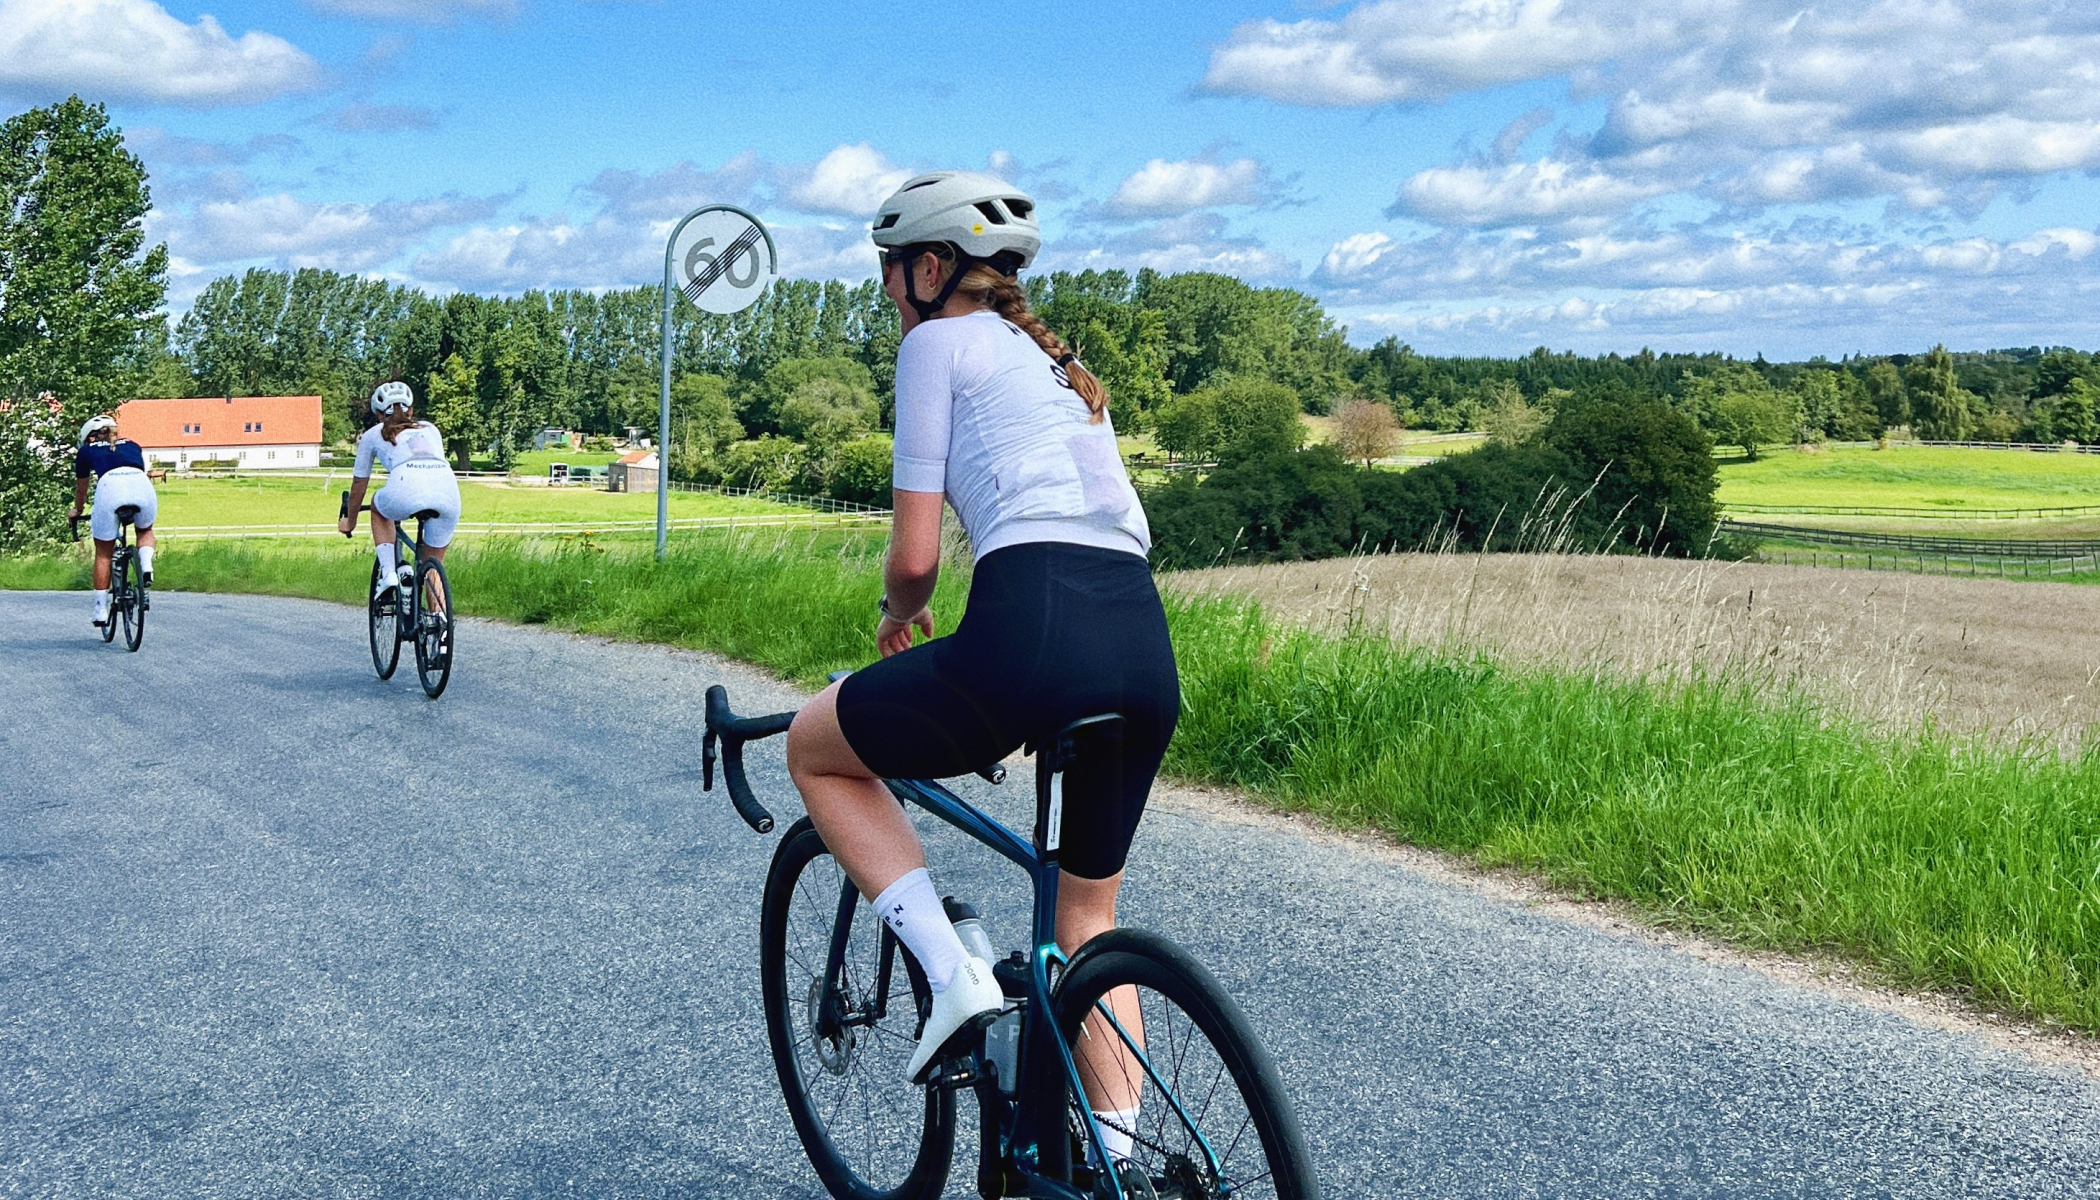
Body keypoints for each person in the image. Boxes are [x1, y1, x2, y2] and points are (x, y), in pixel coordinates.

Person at [784, 172, 1177, 1156]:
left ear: (927, 269)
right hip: (1139, 641)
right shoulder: (1056, 366)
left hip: (1029, 639)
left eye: (886, 272)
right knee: (1088, 918)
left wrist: (897, 618)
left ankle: (950, 974)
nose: (884, 293)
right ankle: (1116, 1160)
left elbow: (916, 557)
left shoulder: (934, 346)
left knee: (815, 747)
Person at [337, 382, 461, 593]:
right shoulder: (430, 429)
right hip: (448, 491)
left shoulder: (372, 435)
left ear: (378, 414)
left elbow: (360, 483)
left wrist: (350, 520)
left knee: (378, 506)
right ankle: (439, 619)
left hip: (405, 486)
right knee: (433, 565)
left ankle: (389, 574)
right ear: (410, 410)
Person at [68, 415, 165, 628]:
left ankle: (100, 610)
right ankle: (146, 565)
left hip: (110, 488)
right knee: (145, 531)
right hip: (141, 485)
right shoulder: (133, 445)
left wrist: (78, 510)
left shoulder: (86, 451)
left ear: (90, 438)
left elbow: (81, 490)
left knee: (104, 552)